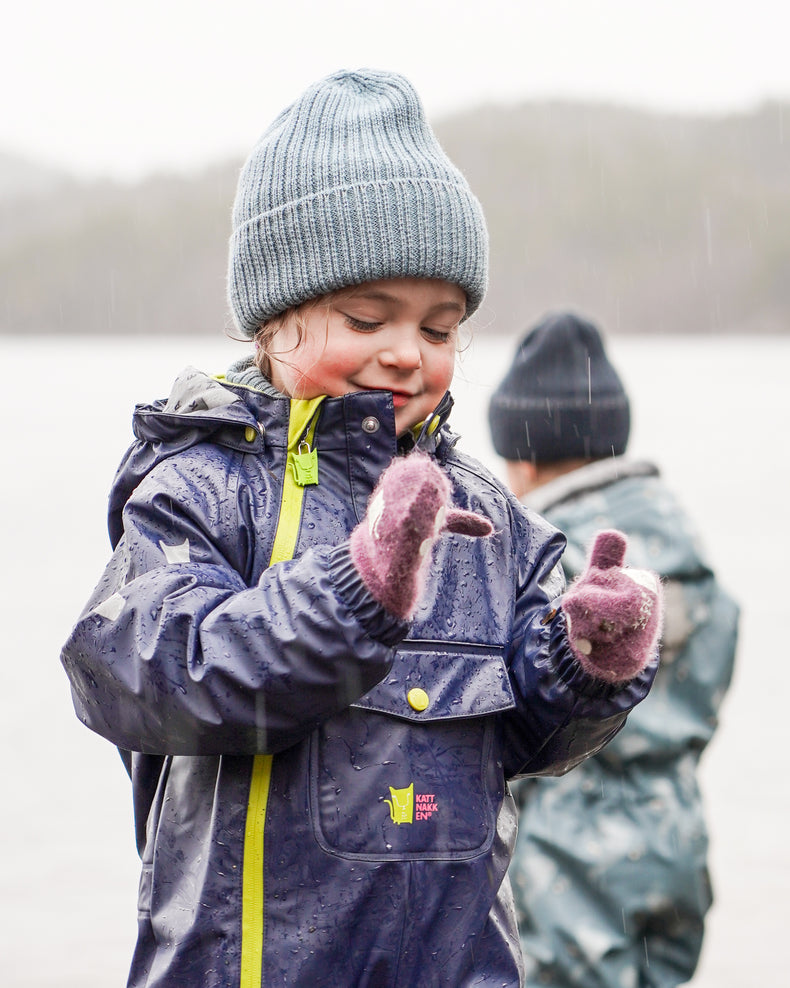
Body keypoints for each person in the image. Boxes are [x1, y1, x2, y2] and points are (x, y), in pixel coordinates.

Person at [61, 72, 663, 988]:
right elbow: (135, 671)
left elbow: (534, 739)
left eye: (439, 327)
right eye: (365, 318)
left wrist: (587, 664)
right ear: (274, 320)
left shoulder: (488, 516)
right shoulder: (204, 488)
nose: (406, 352)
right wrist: (352, 593)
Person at [488, 311, 739, 988]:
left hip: (576, 840)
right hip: (677, 824)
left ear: (526, 455)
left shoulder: (562, 552)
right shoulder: (683, 541)